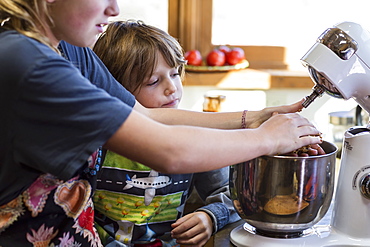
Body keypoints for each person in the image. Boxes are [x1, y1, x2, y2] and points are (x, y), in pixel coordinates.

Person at [0, 1, 323, 246]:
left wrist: (251, 119)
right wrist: (267, 139)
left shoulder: (66, 49)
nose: (114, 8)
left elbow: (146, 114)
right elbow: (169, 151)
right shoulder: (30, 66)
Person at [91, 20, 240, 247]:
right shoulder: (95, 141)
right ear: (116, 91)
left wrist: (210, 216)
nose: (172, 88)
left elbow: (233, 195)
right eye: (153, 81)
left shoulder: (194, 136)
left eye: (175, 74)